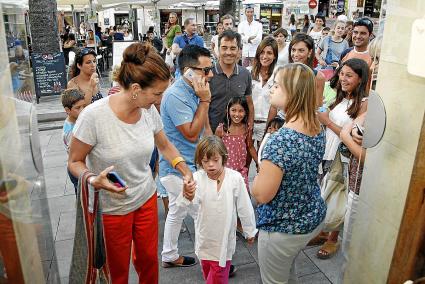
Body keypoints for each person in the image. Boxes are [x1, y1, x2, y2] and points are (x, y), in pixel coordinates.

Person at [68, 42, 193, 284]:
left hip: (145, 198)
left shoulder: (148, 110)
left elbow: (164, 145)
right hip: (113, 210)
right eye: (157, 93)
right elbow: (74, 161)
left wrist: (184, 169)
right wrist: (94, 179)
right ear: (135, 88)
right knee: (117, 271)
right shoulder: (93, 117)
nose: (160, 100)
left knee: (148, 260)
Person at [252, 63, 326, 283]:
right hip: (310, 215)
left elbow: (262, 195)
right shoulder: (315, 125)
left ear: (292, 93)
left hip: (283, 227)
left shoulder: (281, 140)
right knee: (287, 270)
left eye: (276, 85)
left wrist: (257, 175)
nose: (271, 89)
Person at [159, 45, 213, 268]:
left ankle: (169, 255)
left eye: (211, 69)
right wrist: (205, 101)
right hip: (178, 168)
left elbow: (205, 126)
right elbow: (191, 134)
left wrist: (213, 150)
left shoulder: (197, 90)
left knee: (177, 211)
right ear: (187, 71)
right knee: (205, 214)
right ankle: (212, 261)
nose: (210, 74)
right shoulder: (176, 96)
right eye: (205, 70)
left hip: (191, 164)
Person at [177, 136, 256, 284]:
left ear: (224, 158)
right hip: (204, 239)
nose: (210, 165)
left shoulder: (235, 178)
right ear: (200, 161)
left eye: (215, 160)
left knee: (218, 277)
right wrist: (187, 194)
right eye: (205, 161)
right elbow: (189, 206)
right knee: (207, 273)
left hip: (224, 242)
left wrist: (249, 229)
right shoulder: (197, 178)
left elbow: (244, 206)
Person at [315, 58, 369, 259]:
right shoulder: (340, 97)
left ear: (360, 79)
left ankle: (332, 239)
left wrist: (327, 121)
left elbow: (349, 135)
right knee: (325, 191)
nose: (343, 79)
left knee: (337, 196)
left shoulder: (364, 103)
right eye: (342, 74)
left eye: (349, 75)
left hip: (342, 157)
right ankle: (322, 232)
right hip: (327, 151)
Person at [267, 33, 326, 123]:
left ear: (310, 52)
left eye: (301, 50)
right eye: (293, 50)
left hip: (304, 123)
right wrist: (269, 126)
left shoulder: (318, 77)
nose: (295, 54)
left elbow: (317, 107)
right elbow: (274, 106)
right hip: (282, 121)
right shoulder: (282, 73)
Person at [338, 112, 367, 282]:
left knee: (352, 250)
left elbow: (368, 158)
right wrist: (354, 129)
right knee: (349, 249)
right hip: (356, 186)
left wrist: (345, 136)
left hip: (366, 190)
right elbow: (360, 118)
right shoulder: (373, 103)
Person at [209, 30, 254, 133]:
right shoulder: (209, 74)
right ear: (218, 49)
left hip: (237, 134)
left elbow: (249, 103)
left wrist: (250, 125)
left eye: (233, 48)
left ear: (239, 50)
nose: (228, 52)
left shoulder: (245, 74)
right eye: (224, 48)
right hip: (212, 133)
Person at [215, 96, 258, 190]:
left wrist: (259, 162)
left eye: (241, 111)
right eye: (233, 110)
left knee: (242, 199)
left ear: (246, 112)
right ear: (228, 111)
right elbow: (214, 149)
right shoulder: (221, 130)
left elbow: (250, 146)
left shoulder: (247, 129)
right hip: (224, 172)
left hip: (241, 172)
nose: (237, 114)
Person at [249, 36, 278, 146]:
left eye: (269, 53)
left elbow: (275, 105)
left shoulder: (278, 75)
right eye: (262, 52)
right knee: (245, 160)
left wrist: (268, 127)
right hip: (249, 123)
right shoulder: (248, 72)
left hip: (268, 124)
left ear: (274, 56)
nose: (265, 56)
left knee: (262, 161)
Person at [61, 89, 86, 194]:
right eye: (78, 108)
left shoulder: (76, 122)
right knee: (83, 198)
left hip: (78, 167)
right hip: (77, 170)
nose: (83, 110)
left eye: (84, 106)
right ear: (67, 110)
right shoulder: (72, 131)